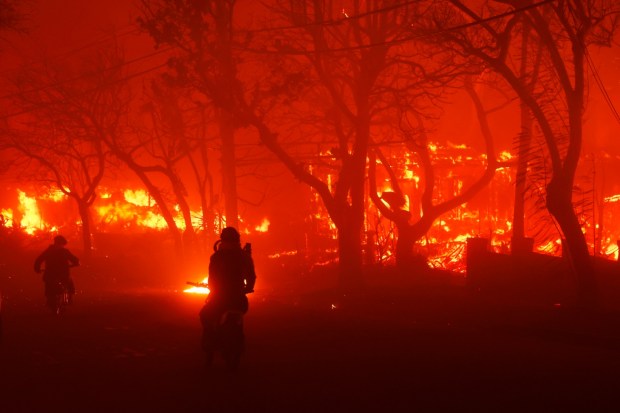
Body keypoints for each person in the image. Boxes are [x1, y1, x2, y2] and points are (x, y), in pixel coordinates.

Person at [199, 227, 256, 358]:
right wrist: (248, 288)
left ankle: (210, 341)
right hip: (239, 299)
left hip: (219, 299)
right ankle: (237, 344)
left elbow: (212, 278)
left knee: (204, 315)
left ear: (222, 240)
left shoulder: (216, 257)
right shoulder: (244, 256)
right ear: (238, 240)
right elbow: (251, 276)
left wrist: (213, 290)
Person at [34, 235, 80, 308]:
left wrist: (37, 268)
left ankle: (49, 299)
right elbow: (74, 259)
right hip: (63, 274)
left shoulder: (48, 251)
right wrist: (76, 263)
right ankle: (70, 297)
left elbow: (39, 260)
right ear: (62, 243)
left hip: (49, 274)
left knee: (48, 284)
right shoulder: (64, 252)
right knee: (69, 283)